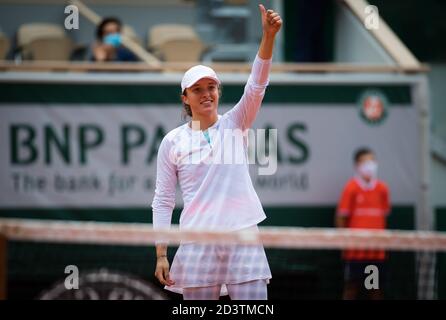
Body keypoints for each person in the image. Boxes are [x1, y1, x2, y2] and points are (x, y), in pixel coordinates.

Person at [151, 4, 282, 300]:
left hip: (243, 236)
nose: (206, 93)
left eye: (212, 87)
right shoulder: (172, 142)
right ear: (185, 98)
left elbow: (257, 85)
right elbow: (163, 200)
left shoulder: (236, 123)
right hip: (197, 241)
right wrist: (161, 253)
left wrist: (269, 36)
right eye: (197, 89)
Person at [335, 147, 391, 300]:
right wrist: (344, 243)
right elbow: (341, 218)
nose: (369, 164)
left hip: (377, 251)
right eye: (364, 161)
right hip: (355, 252)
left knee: (374, 289)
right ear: (357, 165)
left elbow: (384, 216)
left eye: (372, 160)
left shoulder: (382, 189)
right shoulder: (351, 188)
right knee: (351, 287)